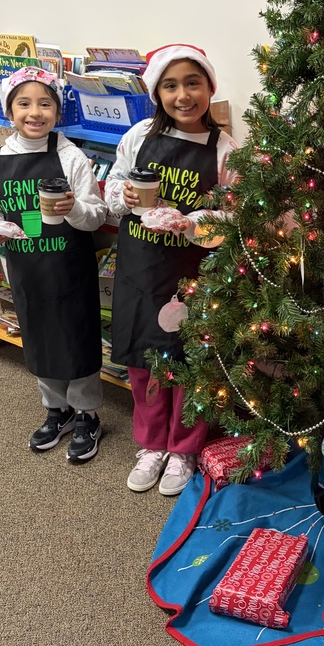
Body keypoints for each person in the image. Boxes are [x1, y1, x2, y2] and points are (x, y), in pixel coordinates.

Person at [105, 44, 237, 496]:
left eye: (193, 83)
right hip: (140, 272)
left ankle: (182, 449)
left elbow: (234, 218)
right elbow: (113, 185)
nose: (183, 95)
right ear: (157, 93)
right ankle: (151, 445)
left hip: (191, 279)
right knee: (145, 364)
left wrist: (195, 222)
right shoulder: (138, 134)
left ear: (209, 88)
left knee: (185, 364)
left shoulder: (225, 150)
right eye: (171, 85)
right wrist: (118, 195)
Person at [0, 66, 107, 462]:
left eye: (45, 103)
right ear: (9, 112)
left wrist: (73, 208)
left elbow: (96, 215)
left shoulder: (71, 157)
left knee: (77, 338)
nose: (35, 112)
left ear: (58, 111)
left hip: (69, 270)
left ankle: (87, 414)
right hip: (26, 272)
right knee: (38, 339)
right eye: (24, 103)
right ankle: (57, 409)